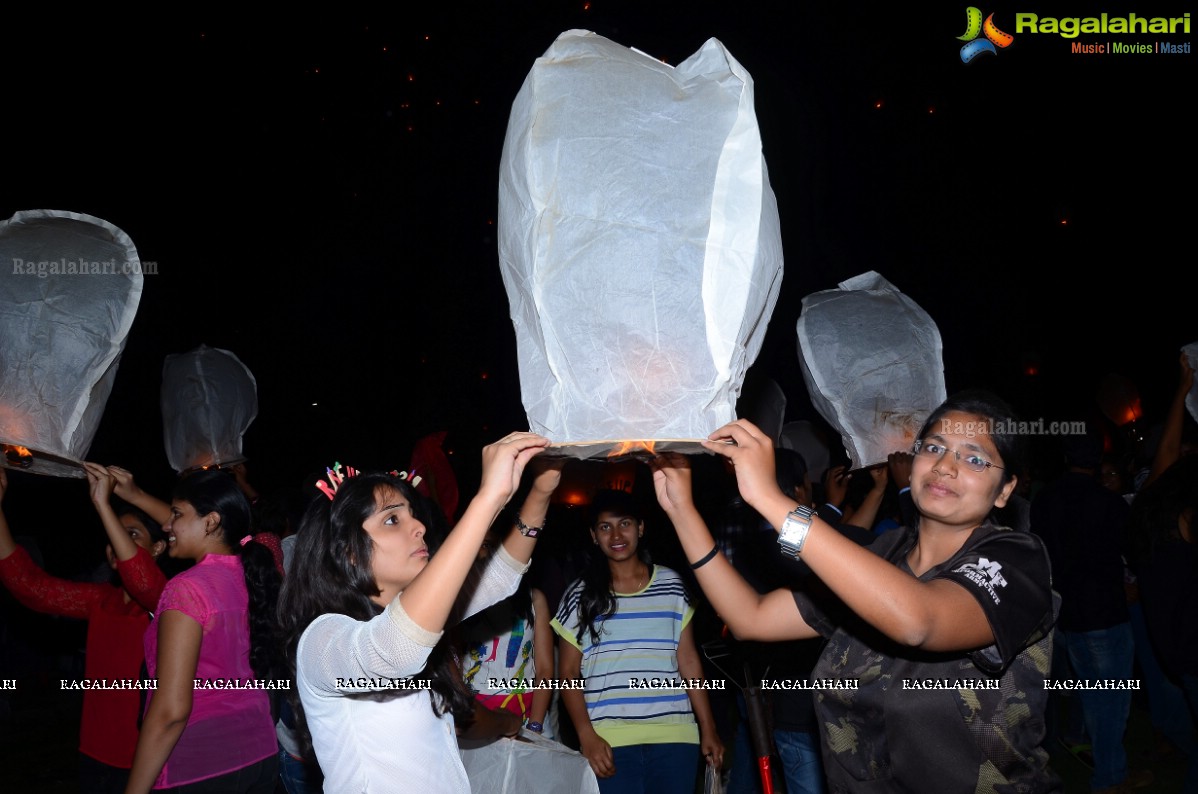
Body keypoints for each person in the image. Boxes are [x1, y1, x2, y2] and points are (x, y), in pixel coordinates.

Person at [653, 390, 1060, 793]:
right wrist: (682, 512)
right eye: (934, 447)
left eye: (974, 458)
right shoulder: (877, 557)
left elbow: (919, 620)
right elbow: (751, 616)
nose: (945, 466)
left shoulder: (1016, 561)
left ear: (1006, 489)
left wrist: (769, 499)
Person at [277, 432, 558, 793]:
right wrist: (487, 499)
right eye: (392, 520)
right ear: (348, 552)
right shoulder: (323, 639)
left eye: (413, 514)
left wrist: (541, 490)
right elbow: (396, 649)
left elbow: (499, 578)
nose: (420, 526)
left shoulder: (406, 616)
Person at [0, 465, 169, 793]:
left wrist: (103, 505)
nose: (115, 543)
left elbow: (143, 580)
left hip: (144, 759)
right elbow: (28, 585)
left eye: (131, 534)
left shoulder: (167, 600)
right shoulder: (100, 600)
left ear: (160, 547)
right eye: (113, 535)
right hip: (93, 750)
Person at [551, 488, 724, 794]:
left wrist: (708, 726)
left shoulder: (672, 585)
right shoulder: (580, 595)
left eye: (625, 523)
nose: (616, 534)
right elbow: (567, 674)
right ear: (593, 535)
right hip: (609, 740)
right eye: (605, 527)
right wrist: (586, 735)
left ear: (641, 528)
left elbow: (689, 661)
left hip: (675, 735)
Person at [125, 468, 282, 793]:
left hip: (200, 766)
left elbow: (171, 710)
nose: (166, 525)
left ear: (210, 521)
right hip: (260, 753)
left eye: (177, 514)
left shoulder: (186, 589)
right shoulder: (254, 577)